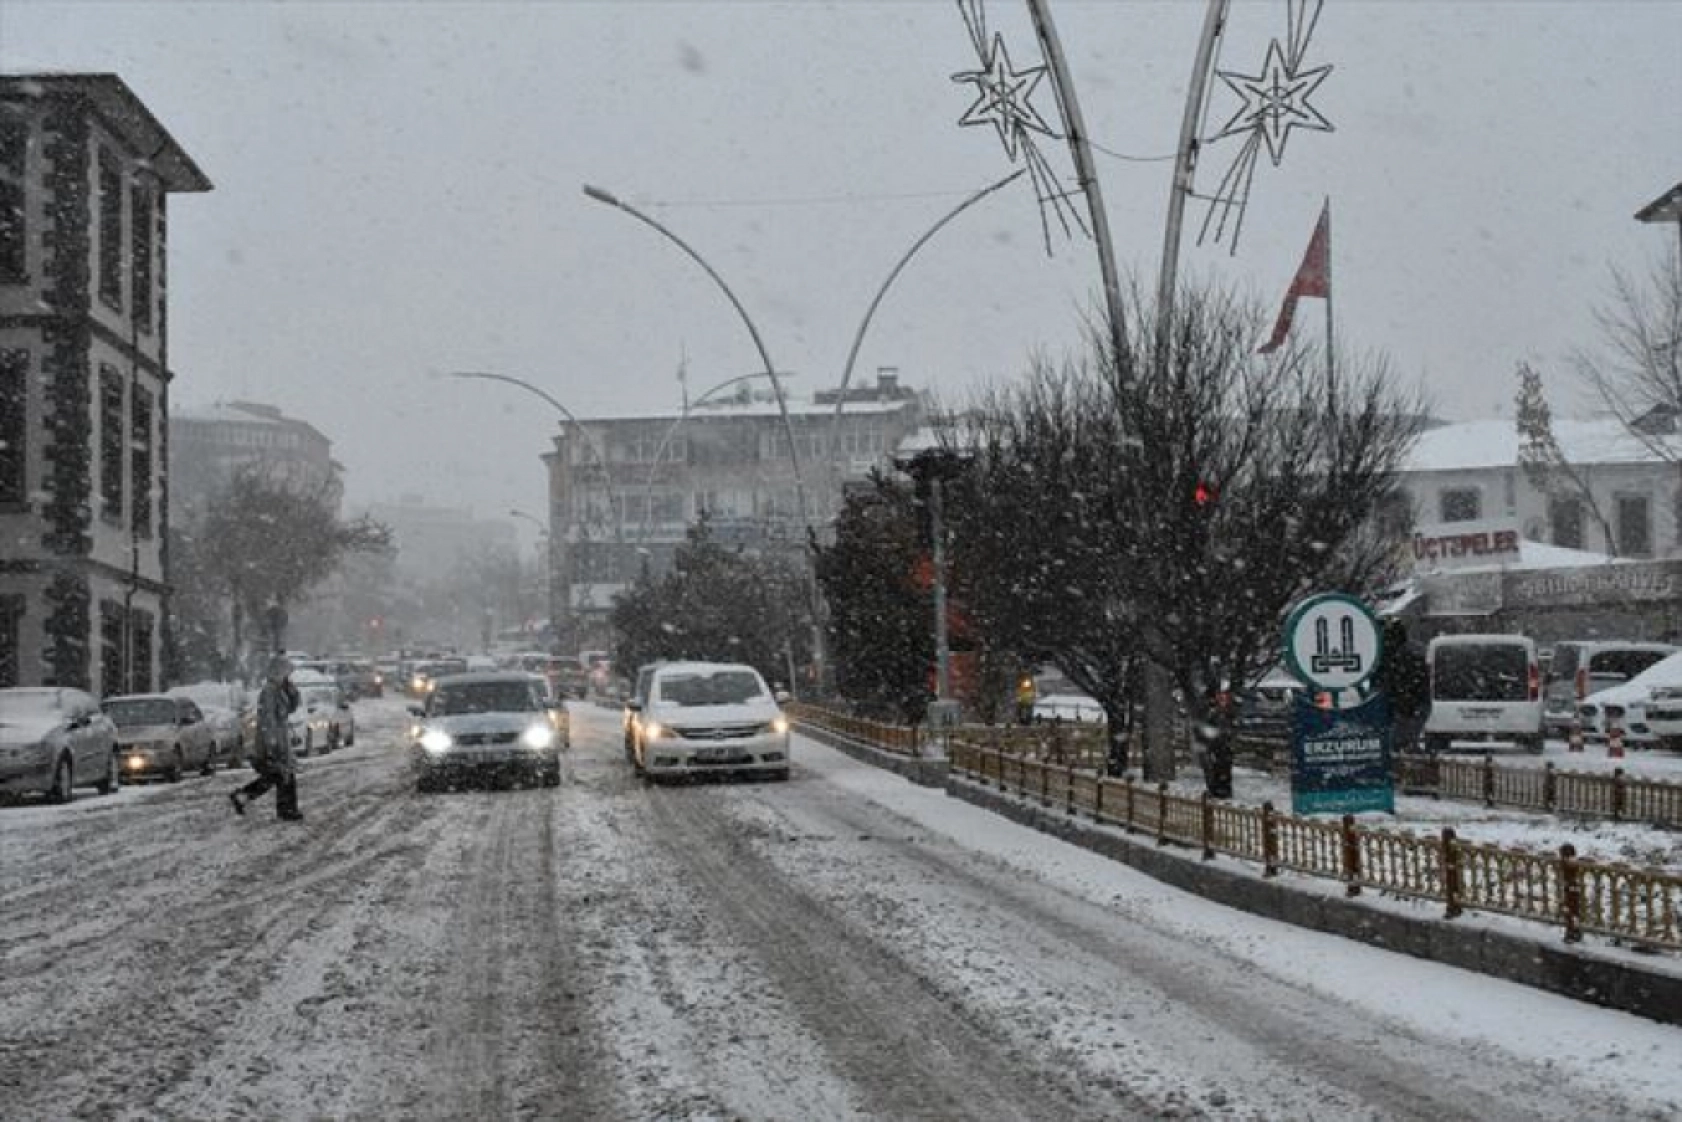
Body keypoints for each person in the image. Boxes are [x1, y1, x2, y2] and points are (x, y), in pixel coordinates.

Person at [230, 655, 303, 821]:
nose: (288, 677)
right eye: (286, 673)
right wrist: (272, 744)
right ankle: (285, 809)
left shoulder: (279, 690)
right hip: (273, 740)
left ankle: (247, 797)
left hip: (281, 738)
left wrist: (292, 692)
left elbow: (290, 709)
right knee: (281, 774)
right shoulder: (269, 691)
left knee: (280, 775)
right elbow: (268, 719)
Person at [1375, 618, 1430, 754]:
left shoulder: (1383, 657)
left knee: (1396, 740)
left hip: (1397, 705)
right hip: (1409, 703)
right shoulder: (1414, 653)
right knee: (1404, 738)